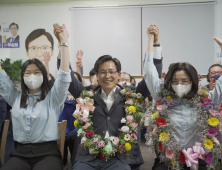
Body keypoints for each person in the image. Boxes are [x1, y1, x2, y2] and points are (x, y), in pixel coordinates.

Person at [143, 25, 222, 170]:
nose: (179, 85)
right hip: (168, 160)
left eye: (184, 81)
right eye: (175, 81)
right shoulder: (163, 98)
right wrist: (150, 41)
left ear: (193, 81)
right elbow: (149, 72)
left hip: (198, 159)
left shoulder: (206, 101)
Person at [0, 23, 71, 170]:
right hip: (20, 153)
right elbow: (1, 77)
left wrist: (64, 42)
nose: (32, 76)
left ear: (44, 76)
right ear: (23, 76)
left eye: (37, 72)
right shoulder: (15, 96)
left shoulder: (54, 97)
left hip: (48, 153)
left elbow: (64, 75)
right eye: (28, 73)